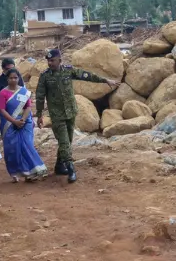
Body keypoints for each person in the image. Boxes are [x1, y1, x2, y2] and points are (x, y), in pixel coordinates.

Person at [35, 49, 119, 183]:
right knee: (64, 141)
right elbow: (39, 96)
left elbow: (86, 75)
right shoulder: (45, 76)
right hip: (57, 115)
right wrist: (39, 115)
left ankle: (58, 166)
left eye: (52, 60)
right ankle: (71, 168)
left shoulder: (68, 70)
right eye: (48, 61)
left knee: (67, 141)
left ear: (59, 60)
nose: (49, 63)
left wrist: (104, 80)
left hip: (70, 112)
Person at [0, 69, 47, 182]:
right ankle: (19, 172)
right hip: (9, 124)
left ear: (19, 78)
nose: (14, 80)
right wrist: (14, 122)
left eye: (16, 78)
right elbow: (2, 110)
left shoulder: (24, 91)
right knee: (13, 149)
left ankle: (32, 171)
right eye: (11, 78)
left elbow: (28, 107)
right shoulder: (3, 93)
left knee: (27, 145)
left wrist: (23, 120)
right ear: (7, 79)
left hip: (24, 123)